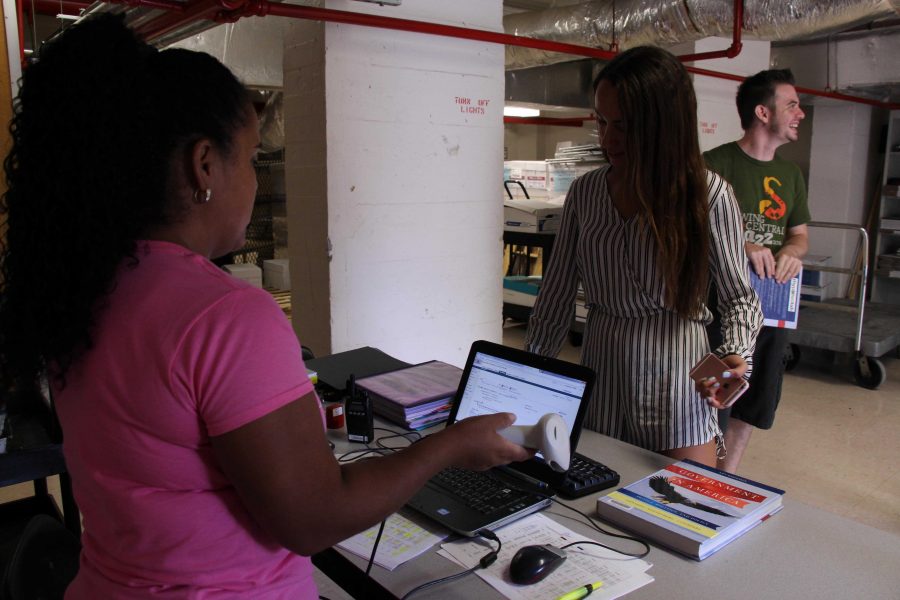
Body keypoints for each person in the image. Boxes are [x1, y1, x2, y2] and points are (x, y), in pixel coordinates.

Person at [0, 15, 530, 598]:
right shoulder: (225, 315)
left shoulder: (82, 291)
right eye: (251, 158)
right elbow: (314, 518)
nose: (254, 182)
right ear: (204, 165)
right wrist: (449, 446)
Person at [525, 46, 763, 468]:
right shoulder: (586, 193)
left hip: (679, 375)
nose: (608, 139)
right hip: (604, 368)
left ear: (665, 127)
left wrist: (734, 353)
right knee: (595, 497)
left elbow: (739, 298)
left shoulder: (708, 196)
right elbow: (555, 297)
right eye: (602, 121)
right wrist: (530, 376)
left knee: (681, 509)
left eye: (627, 126)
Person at [704, 69, 810, 473]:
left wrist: (793, 253)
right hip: (722, 312)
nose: (800, 113)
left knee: (754, 402)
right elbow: (687, 233)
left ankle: (723, 483)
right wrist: (741, 244)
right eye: (792, 104)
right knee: (715, 402)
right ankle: (698, 480)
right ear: (763, 113)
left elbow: (799, 236)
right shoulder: (714, 164)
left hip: (773, 310)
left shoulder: (791, 175)